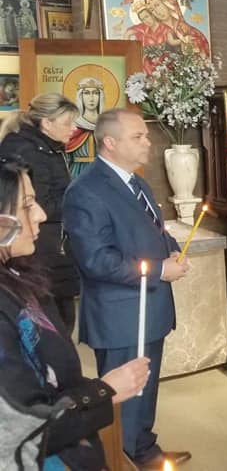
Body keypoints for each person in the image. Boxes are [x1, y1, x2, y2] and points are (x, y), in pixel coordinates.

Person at [0, 157, 149, 470]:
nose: (41, 215)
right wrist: (104, 391)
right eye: (26, 205)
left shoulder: (18, 273)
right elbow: (21, 429)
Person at [62, 109, 191, 469]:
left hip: (149, 307)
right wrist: (158, 270)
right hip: (120, 314)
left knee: (145, 392)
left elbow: (155, 229)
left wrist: (170, 250)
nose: (148, 142)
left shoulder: (137, 182)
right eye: (138, 137)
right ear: (110, 142)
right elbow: (95, 259)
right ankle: (123, 460)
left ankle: (144, 450)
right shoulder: (86, 191)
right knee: (124, 399)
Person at [0, 94, 83, 336]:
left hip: (51, 247)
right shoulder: (28, 151)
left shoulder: (47, 147)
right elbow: (42, 204)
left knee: (62, 318)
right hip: (40, 249)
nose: (74, 128)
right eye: (67, 123)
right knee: (52, 324)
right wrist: (79, 200)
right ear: (47, 123)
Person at [142, 0, 210, 58]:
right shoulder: (154, 35)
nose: (156, 12)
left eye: (157, 5)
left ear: (168, 3)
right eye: (151, 10)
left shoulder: (193, 33)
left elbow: (204, 58)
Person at [65, 77, 105, 177]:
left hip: (102, 173)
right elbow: (65, 157)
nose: (91, 98)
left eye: (95, 93)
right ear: (80, 96)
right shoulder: (74, 125)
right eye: (86, 93)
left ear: (100, 96)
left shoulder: (106, 125)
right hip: (77, 174)